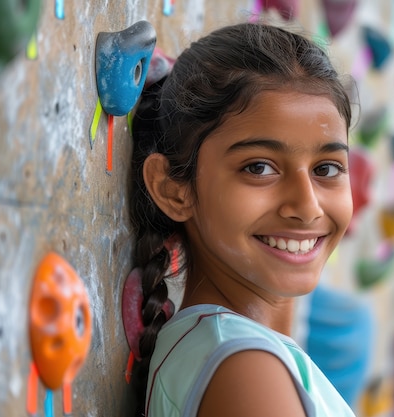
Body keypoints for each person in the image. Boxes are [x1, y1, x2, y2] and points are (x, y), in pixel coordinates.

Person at [129, 21, 356, 417]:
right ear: (172, 189)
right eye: (259, 167)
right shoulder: (247, 372)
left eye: (327, 169)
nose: (307, 206)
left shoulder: (239, 355)